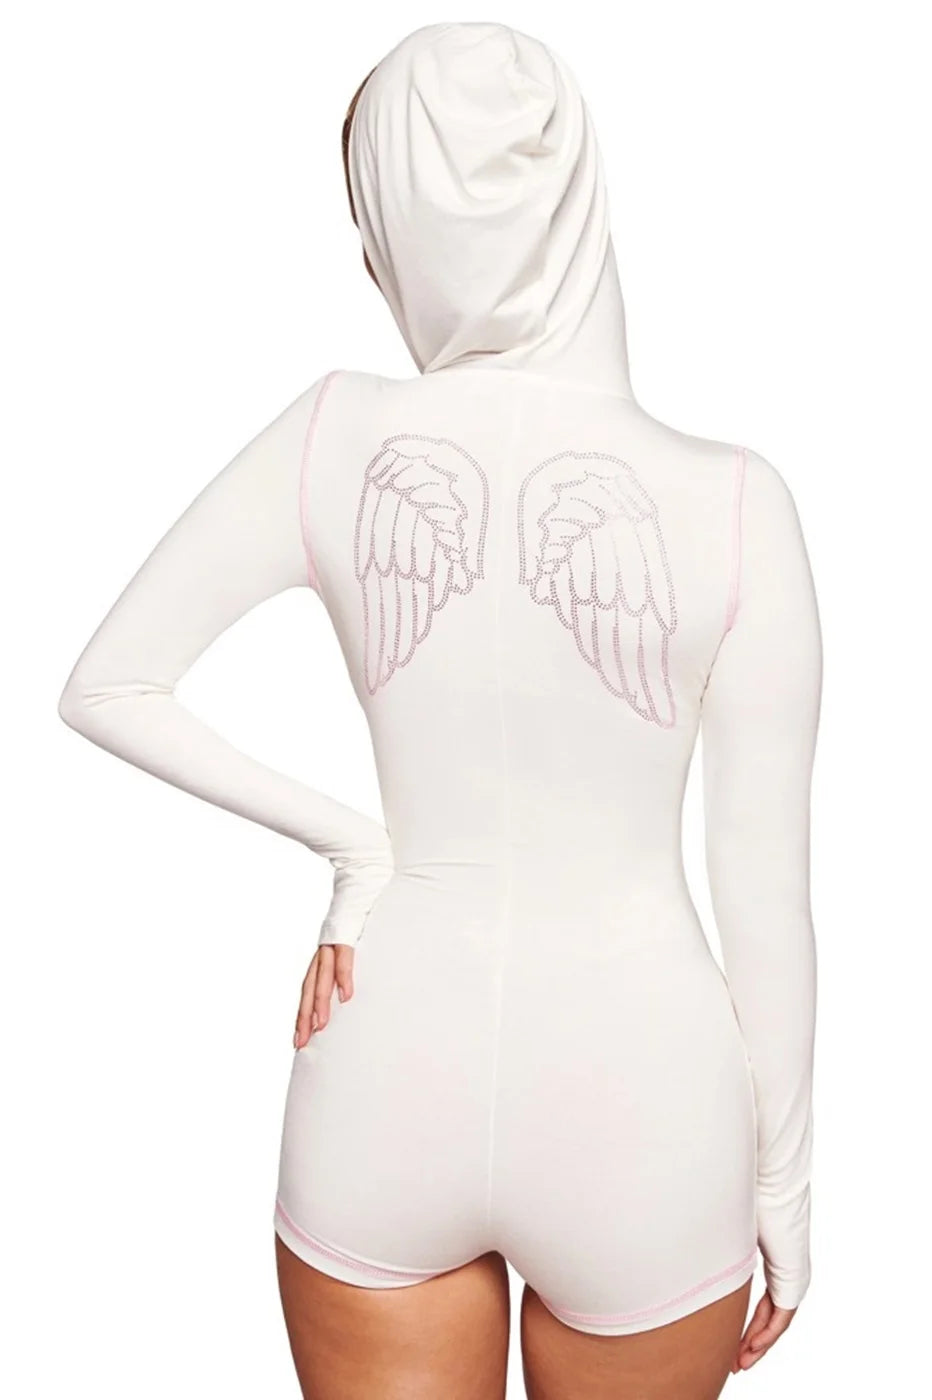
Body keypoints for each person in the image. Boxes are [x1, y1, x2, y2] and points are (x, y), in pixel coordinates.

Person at [57, 21, 822, 1400]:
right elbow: (761, 888)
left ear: (400, 231)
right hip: (646, 1095)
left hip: (386, 1056)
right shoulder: (736, 503)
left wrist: (358, 848)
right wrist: (786, 1187)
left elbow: (109, 684)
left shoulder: (331, 435)